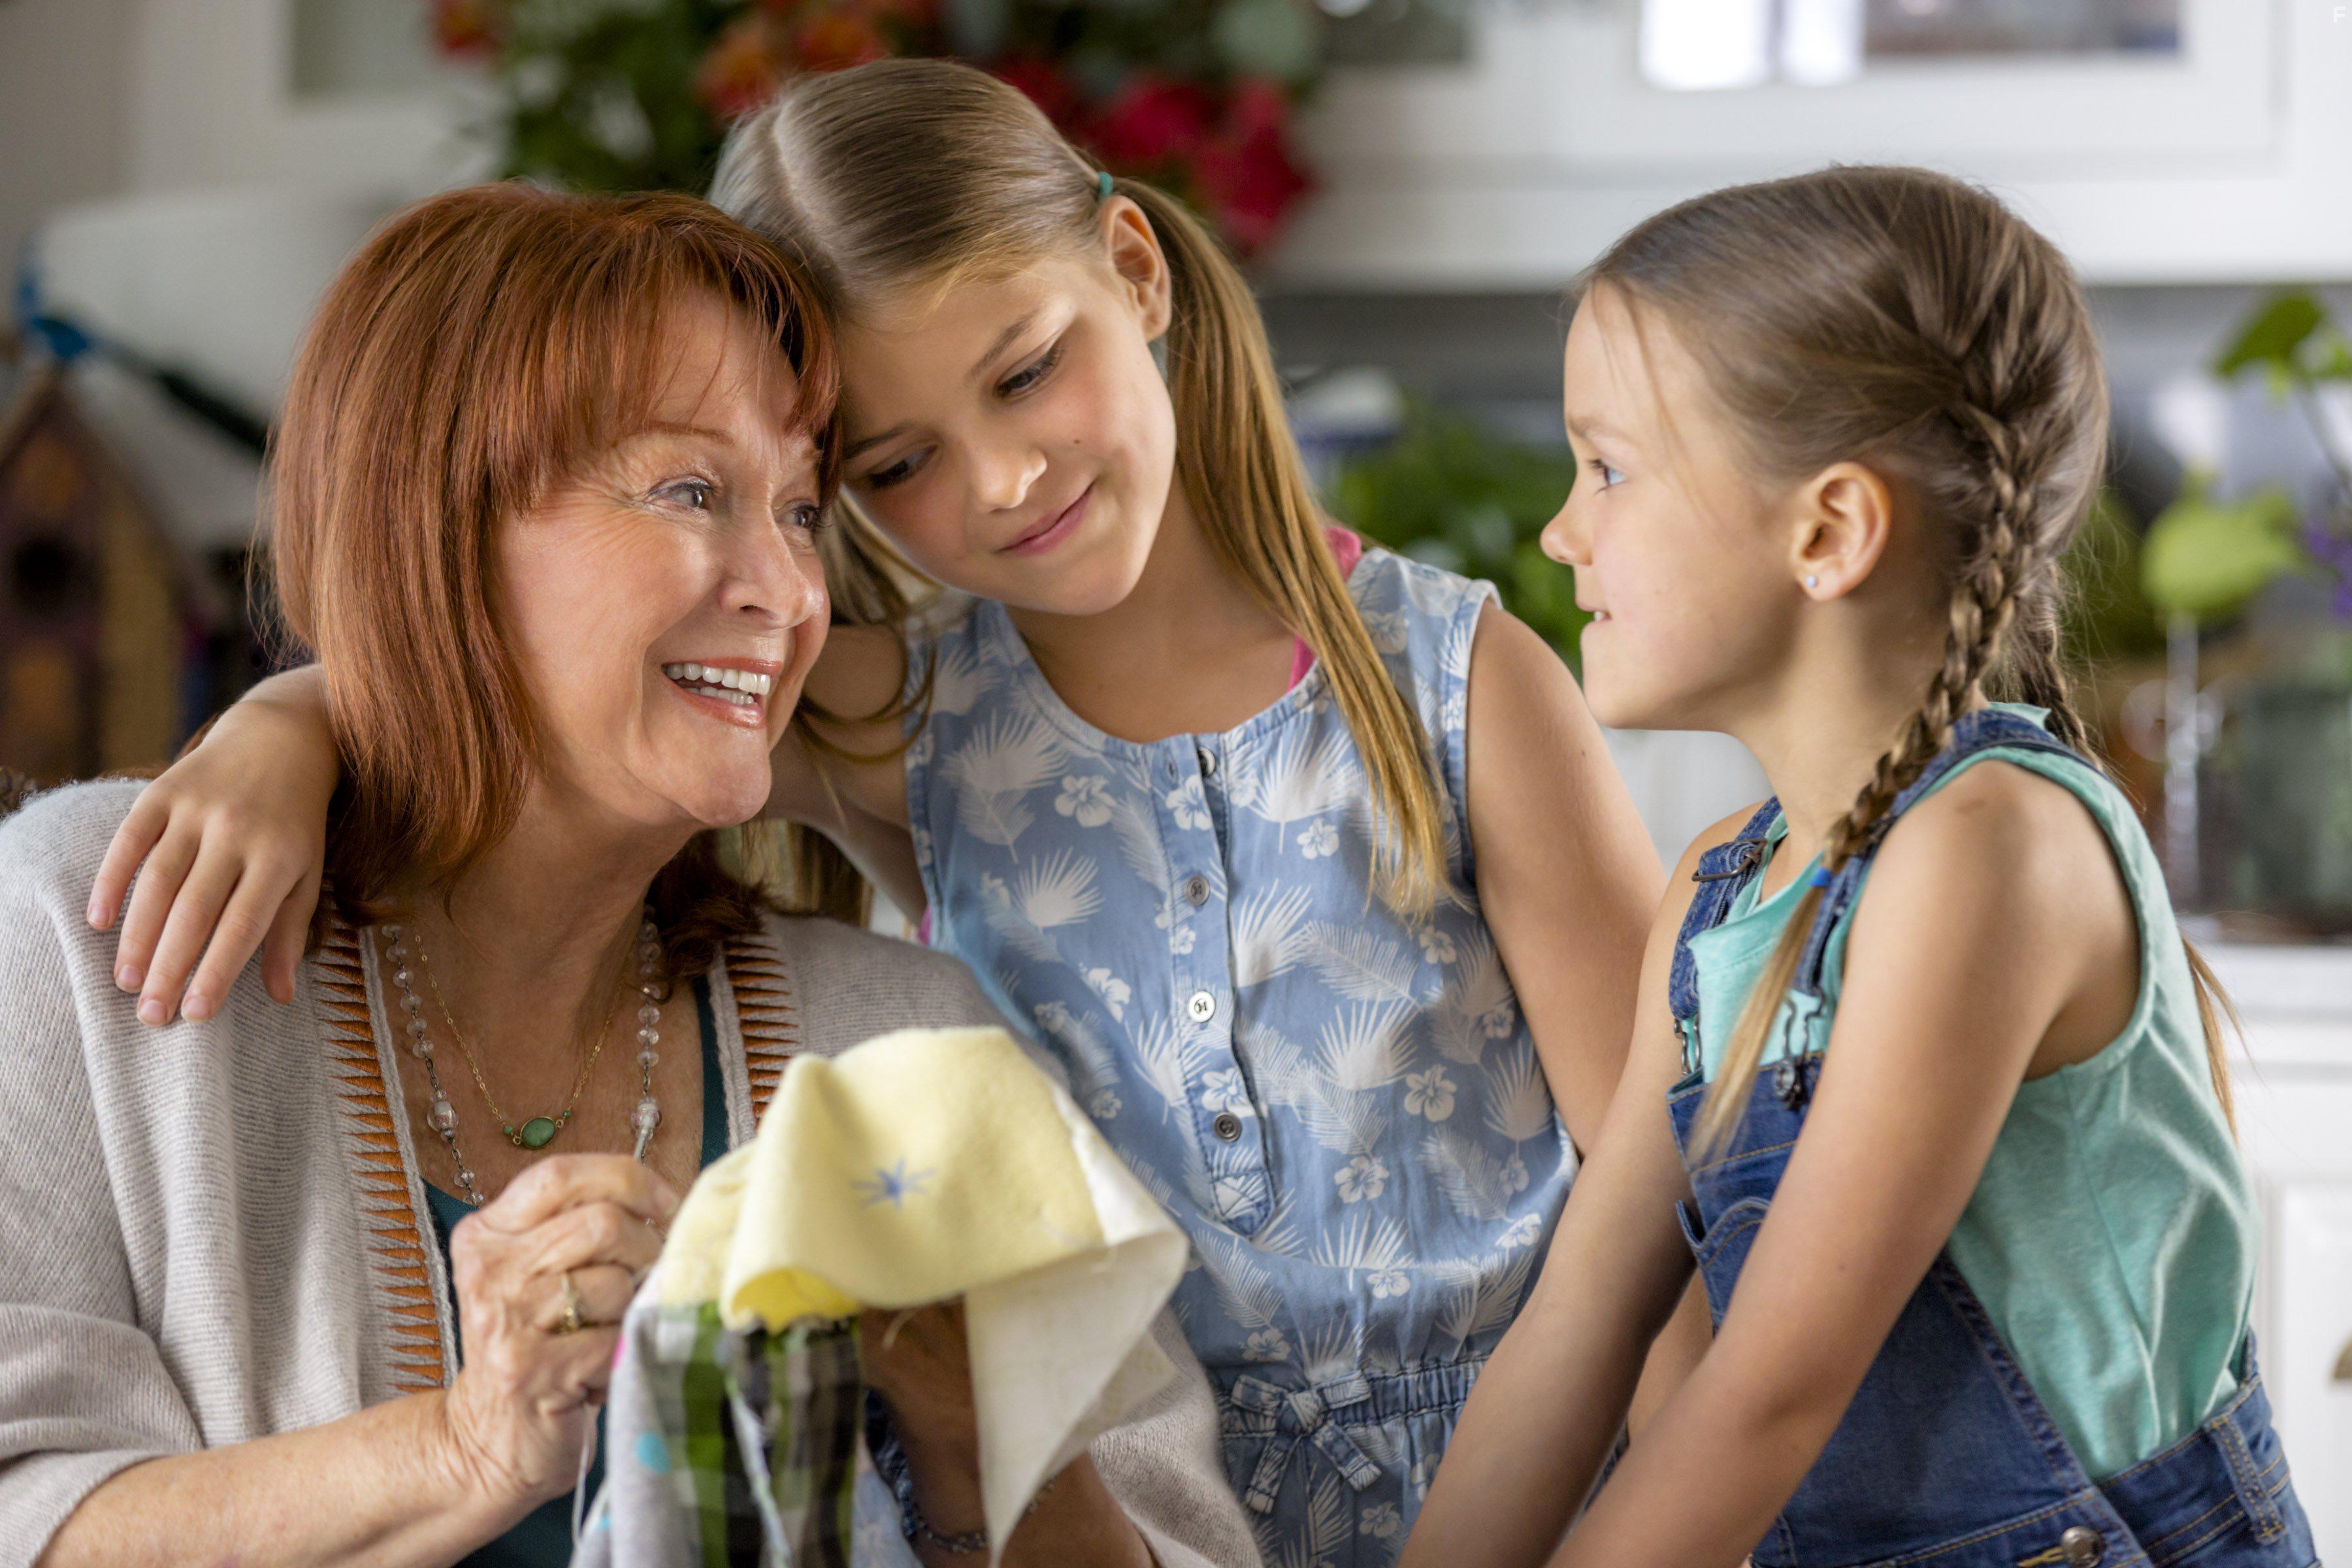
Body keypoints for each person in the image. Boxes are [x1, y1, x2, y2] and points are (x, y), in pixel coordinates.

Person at [79, 60, 1678, 1563]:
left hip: (1541, 1500)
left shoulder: (1458, 683)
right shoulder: (891, 715)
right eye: (900, 463)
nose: (996, 482)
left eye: (1028, 372)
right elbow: (563, 711)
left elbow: (1657, 1202)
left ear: (1134, 267)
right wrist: (293, 724)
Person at [0, 182, 1256, 1568]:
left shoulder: (908, 1048)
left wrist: (984, 1441)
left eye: (797, 511)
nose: (787, 592)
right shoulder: (93, 930)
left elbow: (1183, 1549)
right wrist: (470, 1446)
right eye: (692, 491)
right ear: (441, 524)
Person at [1400, 166, 2314, 1568]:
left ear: (1827, 531)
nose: (1561, 531)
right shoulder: (1721, 891)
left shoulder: (1988, 849)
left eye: (1612, 467)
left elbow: (1771, 1393)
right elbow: (1579, 1329)